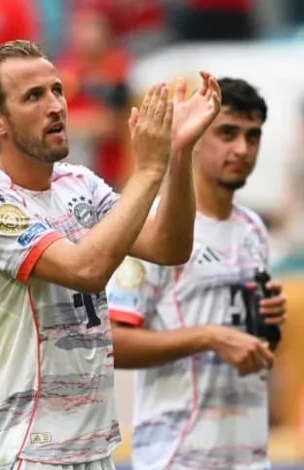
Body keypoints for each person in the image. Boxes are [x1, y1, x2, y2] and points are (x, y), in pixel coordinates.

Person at [0, 39, 222, 470]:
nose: (56, 105)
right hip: (25, 449)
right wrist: (147, 168)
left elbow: (170, 247)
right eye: (34, 96)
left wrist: (178, 155)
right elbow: (87, 269)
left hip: (92, 448)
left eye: (57, 90)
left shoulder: (80, 184)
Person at [106, 77, 287, 470]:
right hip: (177, 457)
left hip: (249, 457)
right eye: (227, 133)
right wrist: (208, 337)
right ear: (197, 134)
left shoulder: (254, 228)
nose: (242, 148)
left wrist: (267, 323)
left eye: (252, 136)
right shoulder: (150, 230)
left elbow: (246, 340)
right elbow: (112, 344)